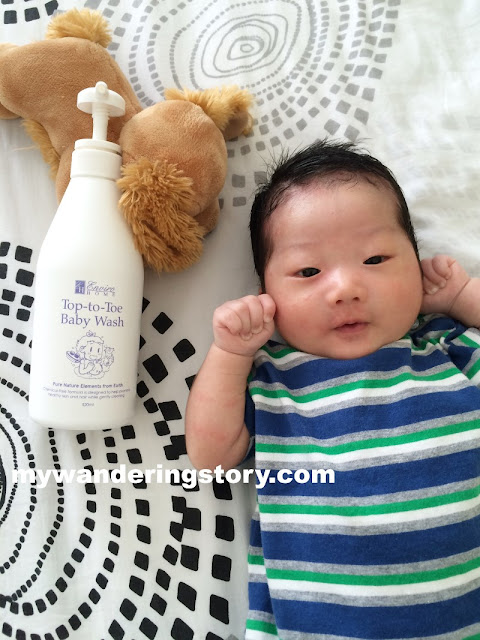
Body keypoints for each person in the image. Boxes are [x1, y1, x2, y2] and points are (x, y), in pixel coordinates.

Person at [185, 139, 480, 639]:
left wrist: (462, 296)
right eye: (308, 271)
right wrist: (231, 353)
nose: (345, 288)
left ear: (417, 263)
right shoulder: (272, 380)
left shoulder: (445, 351)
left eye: (376, 258)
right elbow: (210, 457)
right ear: (266, 293)